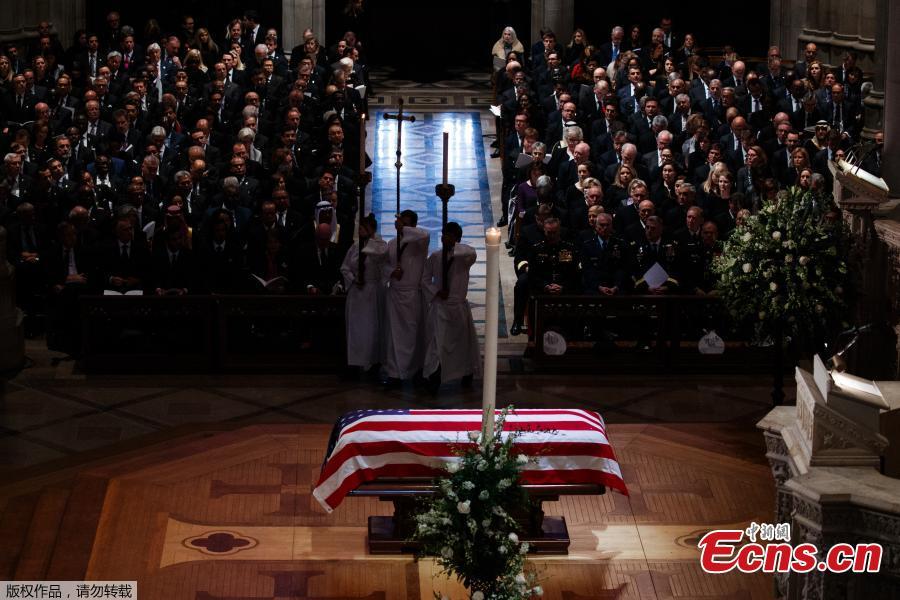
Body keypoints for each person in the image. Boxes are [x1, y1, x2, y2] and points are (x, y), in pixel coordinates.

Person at [421, 221, 479, 390]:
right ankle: (434, 377)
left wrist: (454, 246)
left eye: (450, 235)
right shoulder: (436, 257)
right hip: (441, 306)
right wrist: (437, 292)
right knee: (437, 344)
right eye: (444, 235)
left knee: (461, 345)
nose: (445, 238)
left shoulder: (464, 257)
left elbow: (472, 252)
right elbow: (425, 279)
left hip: (458, 307)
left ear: (457, 238)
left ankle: (465, 374)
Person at [381, 209, 429, 386]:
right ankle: (394, 373)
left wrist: (405, 228)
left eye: (406, 223)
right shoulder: (393, 243)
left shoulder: (419, 243)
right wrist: (391, 271)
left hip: (411, 294)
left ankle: (415, 369)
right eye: (401, 223)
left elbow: (424, 235)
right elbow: (384, 266)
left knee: (412, 334)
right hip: (395, 293)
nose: (402, 227)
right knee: (394, 335)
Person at [341, 213, 388, 374]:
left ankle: (373, 362)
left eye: (362, 228)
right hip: (357, 293)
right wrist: (354, 278)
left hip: (372, 292)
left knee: (372, 329)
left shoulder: (379, 246)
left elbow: (382, 263)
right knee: (356, 329)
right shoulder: (355, 247)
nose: (359, 231)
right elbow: (345, 267)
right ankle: (355, 363)